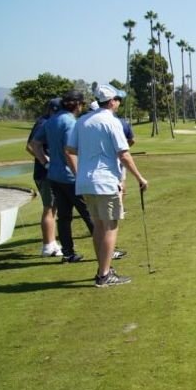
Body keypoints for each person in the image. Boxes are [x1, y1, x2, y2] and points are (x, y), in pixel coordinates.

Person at [67, 84, 148, 287]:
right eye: (118, 100)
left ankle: (104, 268)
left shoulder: (82, 121)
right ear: (111, 101)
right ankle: (104, 275)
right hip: (105, 182)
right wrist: (140, 178)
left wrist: (88, 161)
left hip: (85, 182)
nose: (119, 103)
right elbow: (124, 153)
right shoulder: (112, 122)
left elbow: (69, 148)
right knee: (110, 227)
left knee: (99, 226)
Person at [31, 90, 95, 262]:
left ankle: (68, 253)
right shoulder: (70, 122)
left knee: (64, 216)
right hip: (71, 178)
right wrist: (79, 175)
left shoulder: (50, 121)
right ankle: (106, 250)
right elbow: (69, 152)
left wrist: (46, 163)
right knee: (90, 214)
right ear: (77, 105)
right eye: (82, 104)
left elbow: (35, 144)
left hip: (54, 176)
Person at [26, 98, 62, 257]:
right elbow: (30, 146)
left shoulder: (47, 121)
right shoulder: (44, 123)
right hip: (45, 173)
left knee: (53, 207)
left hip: (48, 172)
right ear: (54, 109)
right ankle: (48, 245)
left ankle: (52, 243)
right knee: (49, 208)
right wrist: (46, 162)